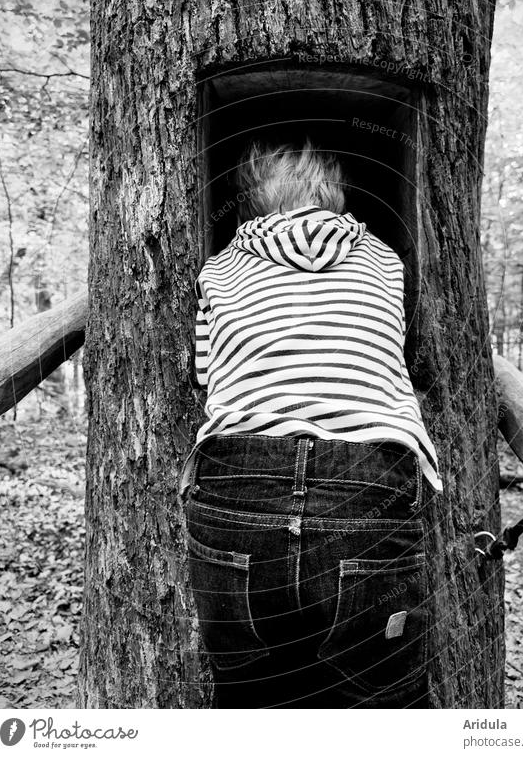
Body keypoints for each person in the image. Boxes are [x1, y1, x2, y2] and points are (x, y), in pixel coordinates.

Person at [180, 139, 441, 708]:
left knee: (253, 698)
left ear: (250, 203)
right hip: (366, 479)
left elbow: (205, 371)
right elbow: (390, 345)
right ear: (336, 196)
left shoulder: (218, 269)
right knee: (381, 700)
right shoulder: (384, 260)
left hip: (236, 479)